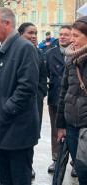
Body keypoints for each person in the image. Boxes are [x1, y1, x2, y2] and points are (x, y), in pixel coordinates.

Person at [0, 8, 39, 185]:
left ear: (7, 24)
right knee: (6, 179)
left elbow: (27, 87)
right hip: (3, 127)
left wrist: (5, 109)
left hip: (17, 129)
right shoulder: (1, 46)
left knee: (19, 178)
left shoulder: (24, 48)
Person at [56, 16, 87, 185]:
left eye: (76, 36)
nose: (71, 40)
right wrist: (61, 125)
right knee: (82, 172)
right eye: (71, 35)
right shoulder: (71, 60)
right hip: (72, 128)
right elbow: (64, 94)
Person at [18, 22, 48, 178]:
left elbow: (43, 76)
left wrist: (40, 93)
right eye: (30, 33)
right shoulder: (16, 51)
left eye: (36, 33)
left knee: (32, 135)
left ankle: (28, 166)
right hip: (18, 100)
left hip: (35, 100)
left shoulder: (39, 53)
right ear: (21, 34)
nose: (34, 36)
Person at [45, 25, 72, 173]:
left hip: (74, 98)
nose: (62, 37)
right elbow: (48, 73)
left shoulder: (78, 52)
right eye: (61, 34)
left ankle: (76, 162)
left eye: (66, 35)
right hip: (56, 96)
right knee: (56, 130)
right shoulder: (50, 53)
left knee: (75, 130)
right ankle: (56, 160)